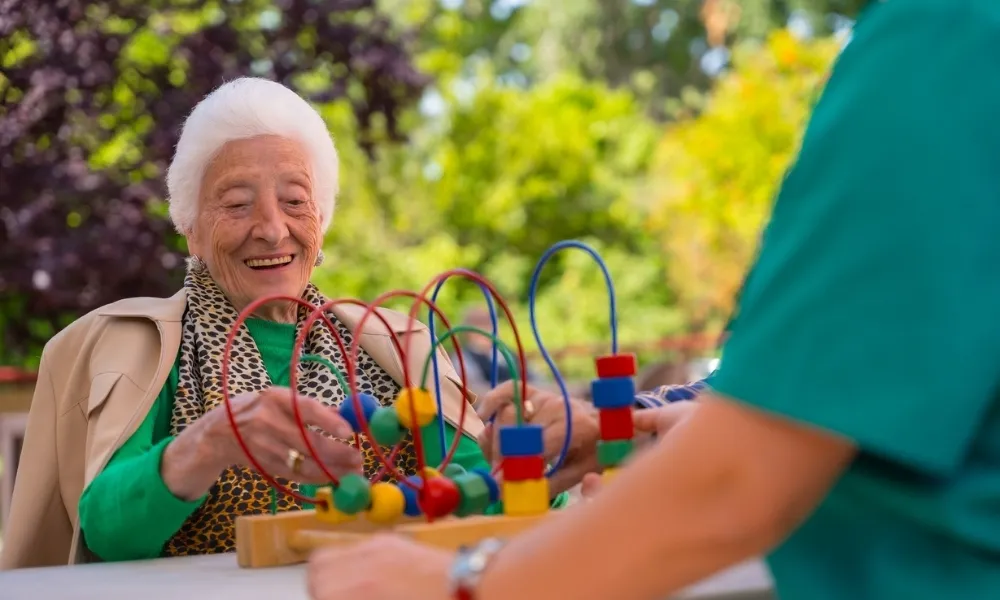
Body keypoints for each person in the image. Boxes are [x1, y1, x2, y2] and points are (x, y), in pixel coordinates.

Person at [304, 1, 1000, 599]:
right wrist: (634, 426)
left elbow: (745, 475)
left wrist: (467, 580)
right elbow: (835, 390)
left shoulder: (947, 37)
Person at [0, 77, 495, 568]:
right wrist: (209, 442)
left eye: (295, 201)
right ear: (190, 228)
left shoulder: (399, 346)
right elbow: (108, 532)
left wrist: (527, 458)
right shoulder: (137, 346)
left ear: (321, 221)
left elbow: (480, 501)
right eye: (237, 204)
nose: (273, 230)